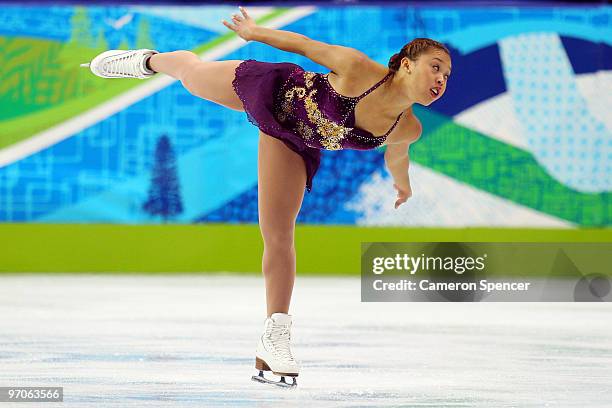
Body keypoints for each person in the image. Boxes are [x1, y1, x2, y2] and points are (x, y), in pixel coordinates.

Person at [81, 6, 451, 388]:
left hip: (293, 140)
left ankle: (274, 339)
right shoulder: (357, 68)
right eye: (435, 66)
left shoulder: (408, 127)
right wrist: (253, 31)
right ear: (406, 64)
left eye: (447, 75)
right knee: (191, 77)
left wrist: (401, 184)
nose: (441, 78)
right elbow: (303, 45)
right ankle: (149, 61)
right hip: (274, 89)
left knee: (278, 235)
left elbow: (397, 153)